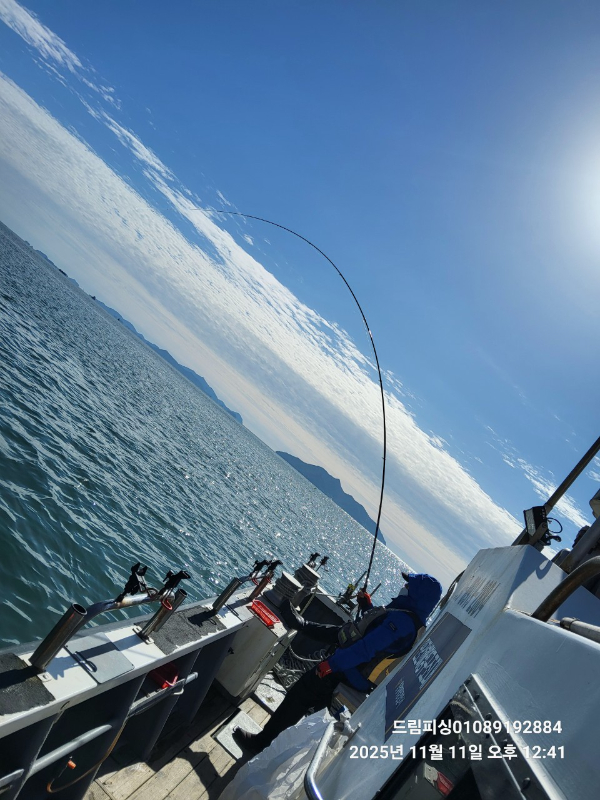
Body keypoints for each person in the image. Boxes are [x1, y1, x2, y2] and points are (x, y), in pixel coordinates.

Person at [233, 571, 442, 755]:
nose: (404, 586)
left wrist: (332, 665)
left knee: (298, 698)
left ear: (418, 594)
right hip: (351, 672)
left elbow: (366, 649)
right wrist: (366, 605)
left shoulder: (402, 622)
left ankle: (260, 744)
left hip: (345, 672)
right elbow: (373, 634)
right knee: (310, 714)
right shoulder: (410, 618)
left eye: (409, 585)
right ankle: (274, 750)